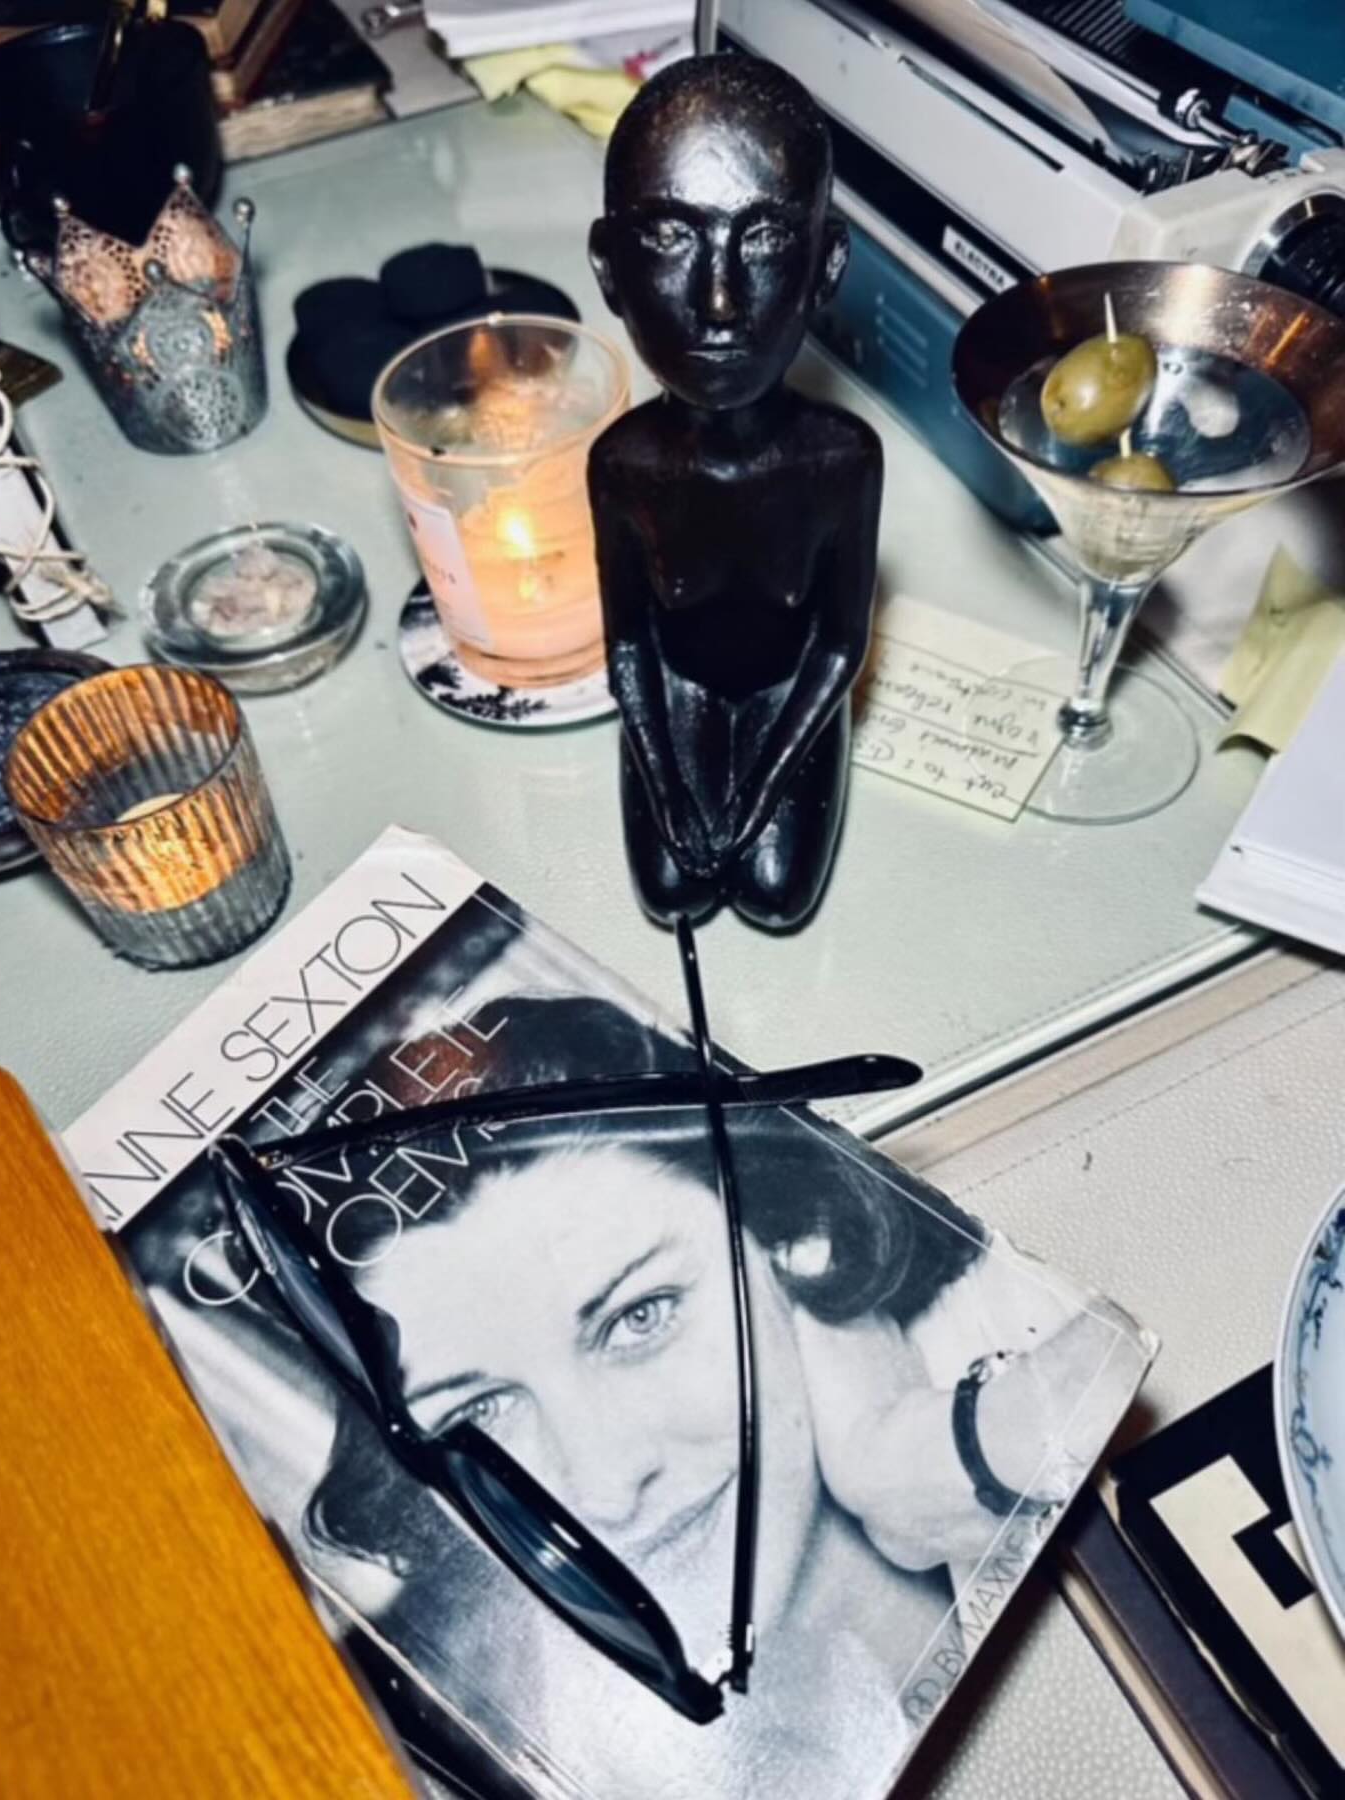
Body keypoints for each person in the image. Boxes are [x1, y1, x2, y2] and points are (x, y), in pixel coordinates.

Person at [299, 995, 1135, 1796]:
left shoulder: (1029, 1304)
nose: (606, 1487)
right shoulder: (479, 1735)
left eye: (641, 1317)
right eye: (479, 1413)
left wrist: (954, 1451)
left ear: (787, 1238)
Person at [587, 53, 881, 932]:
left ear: (827, 265)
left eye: (765, 239)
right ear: (608, 267)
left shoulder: (841, 459)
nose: (719, 302)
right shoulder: (623, 465)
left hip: (789, 699)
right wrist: (666, 785)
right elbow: (630, 645)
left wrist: (761, 790)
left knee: (774, 896)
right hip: (676, 694)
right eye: (671, 237)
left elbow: (837, 645)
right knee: (672, 891)